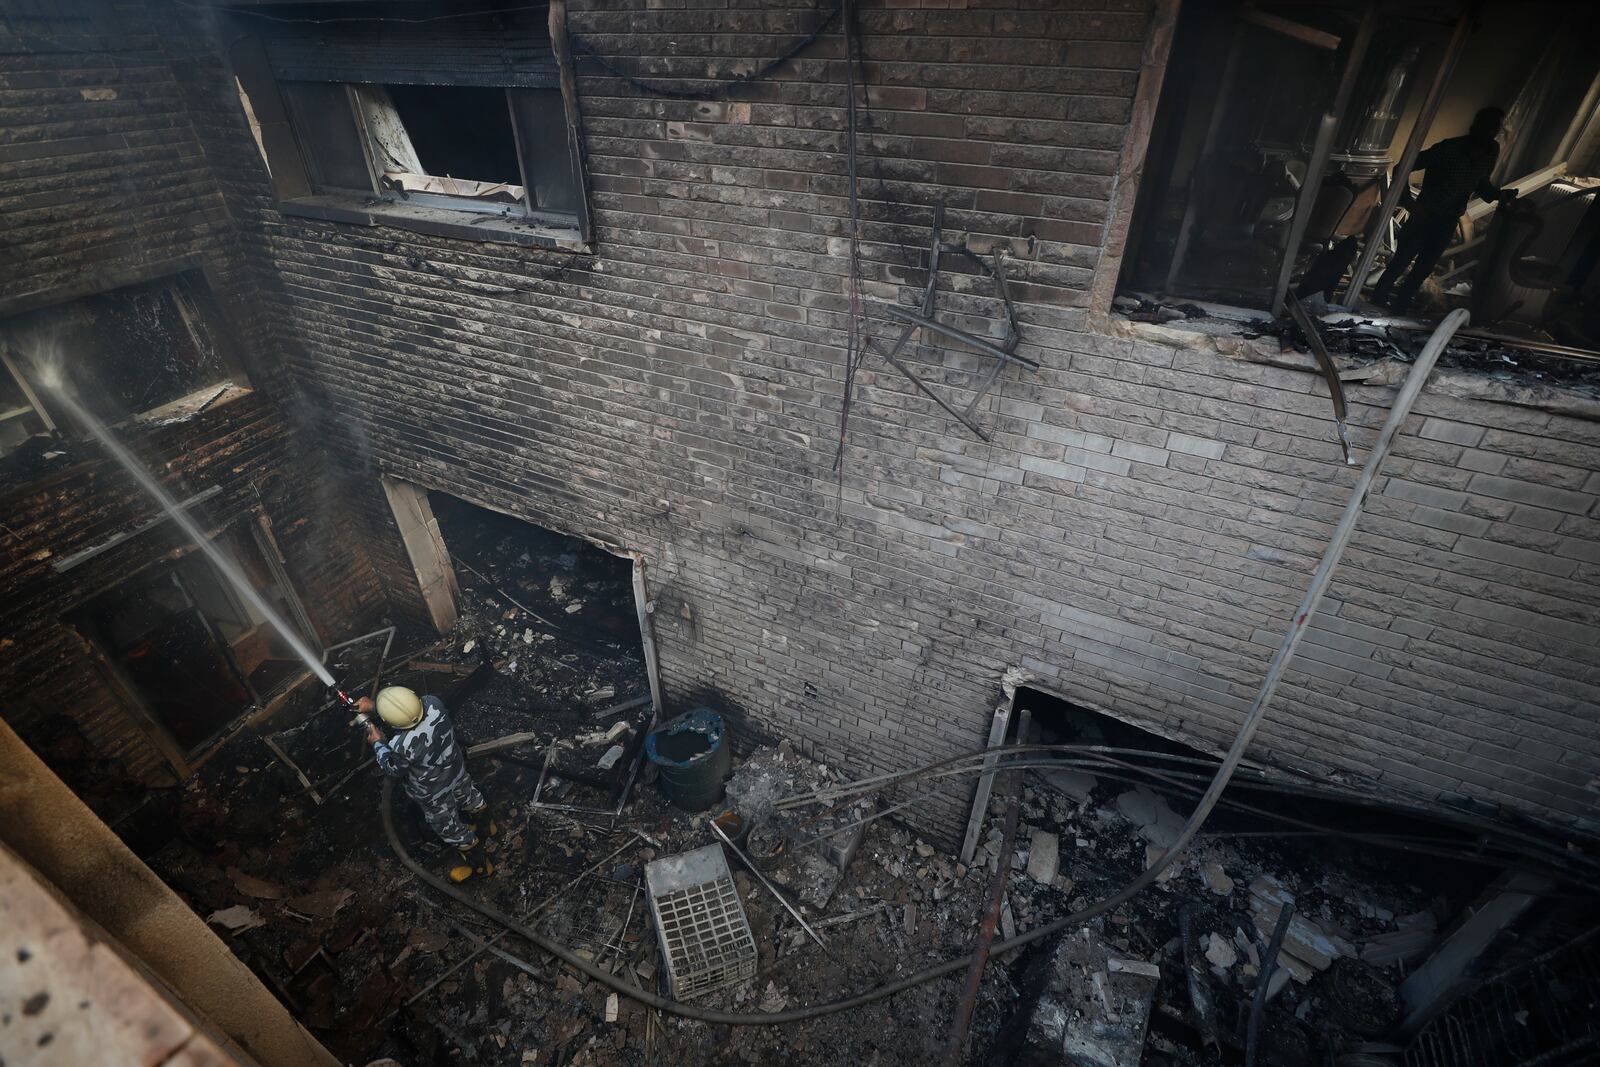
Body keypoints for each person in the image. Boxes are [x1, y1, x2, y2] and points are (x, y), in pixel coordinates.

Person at [1371, 107, 1516, 315]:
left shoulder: (1491, 151)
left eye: (1494, 129)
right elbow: (1403, 167)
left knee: (1423, 269)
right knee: (1400, 263)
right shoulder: (1448, 149)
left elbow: (1481, 183)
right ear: (1475, 126)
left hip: (1448, 220)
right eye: (1487, 127)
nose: (1490, 133)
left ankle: (1398, 309)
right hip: (1425, 215)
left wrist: (1499, 194)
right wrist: (1408, 202)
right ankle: (1375, 304)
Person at [359, 686, 495, 883]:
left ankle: (482, 867)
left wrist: (378, 743)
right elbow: (409, 711)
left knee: (449, 827)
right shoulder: (434, 703)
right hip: (456, 771)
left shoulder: (401, 746)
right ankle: (488, 827)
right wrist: (375, 706)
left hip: (433, 793)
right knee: (470, 796)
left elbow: (393, 768)